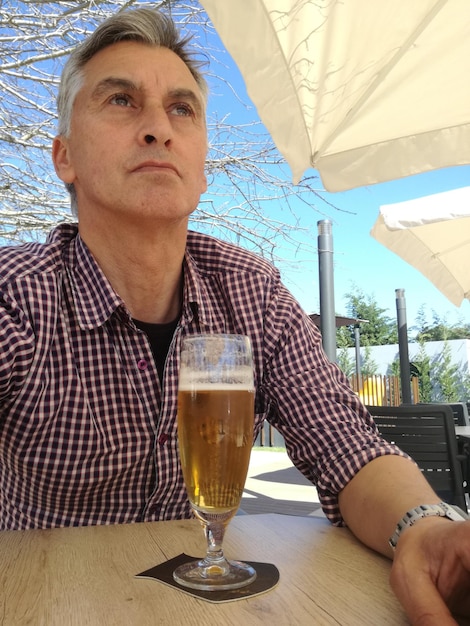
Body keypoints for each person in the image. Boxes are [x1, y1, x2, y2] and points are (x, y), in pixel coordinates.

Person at [0, 8, 469, 624]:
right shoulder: (17, 297)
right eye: (120, 100)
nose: (157, 129)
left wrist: (425, 527)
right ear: (64, 157)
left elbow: (346, 444)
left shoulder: (251, 291)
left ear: (200, 164)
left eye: (182, 109)